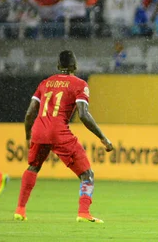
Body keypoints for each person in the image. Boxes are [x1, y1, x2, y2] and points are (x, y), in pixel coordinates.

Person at [14, 50, 114, 223]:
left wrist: (28, 135)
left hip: (39, 129)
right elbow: (83, 115)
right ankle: (83, 212)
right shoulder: (79, 84)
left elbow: (30, 113)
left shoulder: (45, 83)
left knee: (33, 167)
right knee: (87, 174)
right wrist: (103, 137)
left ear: (58, 66)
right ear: (75, 66)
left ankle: (20, 210)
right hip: (59, 132)